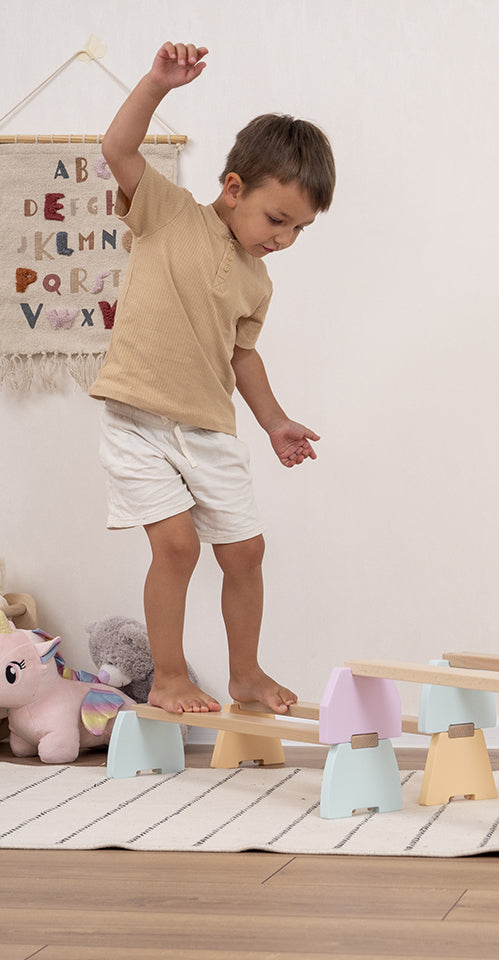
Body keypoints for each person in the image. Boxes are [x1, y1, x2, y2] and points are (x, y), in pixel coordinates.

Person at [89, 42, 336, 715]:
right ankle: (167, 675)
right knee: (175, 545)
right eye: (276, 219)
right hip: (137, 419)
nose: (283, 238)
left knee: (247, 552)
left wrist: (275, 421)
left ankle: (246, 674)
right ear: (233, 189)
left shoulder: (258, 280)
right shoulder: (168, 213)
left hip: (208, 429)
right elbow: (118, 148)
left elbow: (241, 356)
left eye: (299, 229)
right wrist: (156, 86)